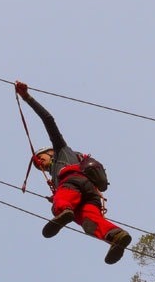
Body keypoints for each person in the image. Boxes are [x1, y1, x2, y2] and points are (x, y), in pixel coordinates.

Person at [15, 80, 132, 264]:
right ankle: (116, 236)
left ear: (49, 152)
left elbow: (48, 119)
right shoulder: (58, 168)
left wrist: (27, 97)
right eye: (39, 166)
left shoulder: (61, 149)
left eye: (41, 160)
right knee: (89, 221)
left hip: (73, 182)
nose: (41, 165)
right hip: (90, 194)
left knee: (61, 202)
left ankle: (64, 211)